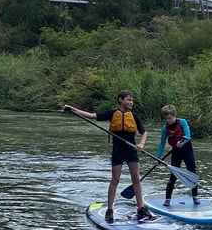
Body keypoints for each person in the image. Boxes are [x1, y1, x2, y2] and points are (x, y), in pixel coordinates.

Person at [63, 90, 153, 221]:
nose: (131, 102)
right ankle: (110, 209)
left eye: (132, 100)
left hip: (131, 150)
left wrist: (141, 144)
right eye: (128, 99)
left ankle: (140, 207)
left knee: (136, 179)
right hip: (118, 150)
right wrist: (72, 109)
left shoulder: (134, 116)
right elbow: (91, 116)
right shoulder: (112, 113)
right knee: (115, 179)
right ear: (120, 100)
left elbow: (144, 132)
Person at [155, 105, 200, 206]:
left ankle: (195, 196)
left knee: (192, 172)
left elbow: (188, 136)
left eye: (170, 118)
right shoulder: (165, 129)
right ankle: (167, 199)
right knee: (173, 175)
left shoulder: (182, 122)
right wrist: (158, 158)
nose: (168, 120)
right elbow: (162, 144)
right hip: (176, 152)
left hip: (187, 150)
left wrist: (182, 143)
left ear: (174, 116)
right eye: (166, 119)